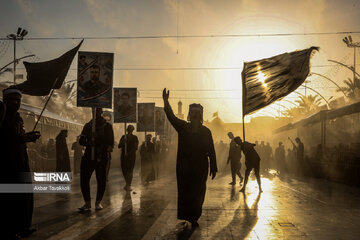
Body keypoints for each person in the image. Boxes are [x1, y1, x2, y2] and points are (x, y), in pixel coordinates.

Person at [163, 88, 217, 228]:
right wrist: (166, 101)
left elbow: (211, 149)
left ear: (200, 116)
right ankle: (188, 216)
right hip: (184, 167)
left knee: (199, 192)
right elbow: (171, 117)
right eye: (192, 113)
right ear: (189, 114)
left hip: (200, 167)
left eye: (196, 114)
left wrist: (214, 166)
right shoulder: (183, 127)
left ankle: (194, 216)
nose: (194, 116)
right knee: (186, 192)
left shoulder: (206, 131)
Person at [0, 86, 40, 239]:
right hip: (6, 165)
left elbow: (19, 137)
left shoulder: (18, 118)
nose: (15, 102)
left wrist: (29, 136)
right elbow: (5, 138)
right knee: (10, 200)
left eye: (18, 100)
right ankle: (9, 231)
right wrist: (22, 138)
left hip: (21, 163)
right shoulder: (2, 115)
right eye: (12, 99)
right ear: (5, 99)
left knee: (24, 197)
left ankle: (23, 227)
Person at [78, 108, 114, 211]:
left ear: (101, 112)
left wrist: (97, 139)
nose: (95, 113)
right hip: (88, 156)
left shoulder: (107, 127)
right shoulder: (87, 126)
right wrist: (89, 142)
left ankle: (98, 202)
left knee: (101, 179)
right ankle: (87, 202)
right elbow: (81, 140)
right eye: (93, 111)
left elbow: (110, 142)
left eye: (97, 111)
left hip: (101, 156)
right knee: (84, 179)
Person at [118, 124, 138, 191]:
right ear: (127, 129)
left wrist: (129, 153)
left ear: (132, 130)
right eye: (128, 128)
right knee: (124, 169)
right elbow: (119, 146)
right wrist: (124, 142)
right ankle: (127, 183)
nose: (129, 130)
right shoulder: (124, 136)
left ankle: (129, 184)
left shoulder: (135, 137)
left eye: (131, 129)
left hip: (131, 156)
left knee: (130, 170)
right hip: (124, 155)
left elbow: (135, 147)